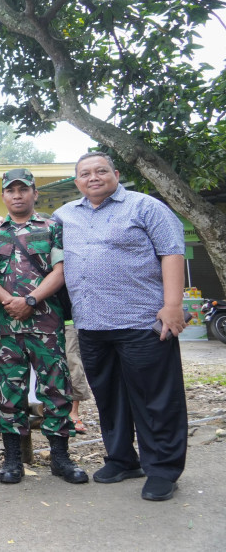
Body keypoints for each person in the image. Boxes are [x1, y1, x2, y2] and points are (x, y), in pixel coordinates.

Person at [54, 152, 187, 501]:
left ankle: (163, 469)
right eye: (85, 173)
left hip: (142, 321)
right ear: (77, 181)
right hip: (91, 325)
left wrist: (173, 305)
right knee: (109, 398)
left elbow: (172, 252)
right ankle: (122, 459)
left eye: (101, 171)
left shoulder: (145, 207)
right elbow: (34, 234)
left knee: (155, 399)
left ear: (115, 173)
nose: (93, 177)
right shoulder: (64, 215)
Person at [0, 168, 88, 485]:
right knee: (9, 392)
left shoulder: (52, 227)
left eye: (23, 189)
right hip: (7, 326)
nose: (17, 195)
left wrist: (30, 300)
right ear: (3, 196)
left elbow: (60, 270)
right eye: (11, 190)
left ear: (34, 193)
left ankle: (60, 458)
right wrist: (9, 302)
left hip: (46, 324)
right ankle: (12, 459)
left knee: (56, 390)